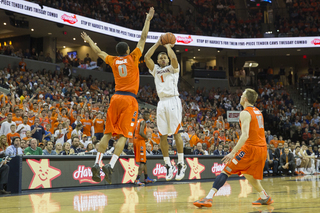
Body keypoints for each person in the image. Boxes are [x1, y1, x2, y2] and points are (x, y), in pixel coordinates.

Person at [82, 7, 155, 184]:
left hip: (115, 97)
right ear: (128, 49)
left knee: (107, 134)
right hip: (129, 99)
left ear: (117, 50)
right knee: (123, 136)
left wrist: (89, 40)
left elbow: (98, 52)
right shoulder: (133, 57)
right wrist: (148, 20)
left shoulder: (113, 60)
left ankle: (97, 163)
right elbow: (143, 38)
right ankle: (111, 165)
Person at [194, 89, 273, 208]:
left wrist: (232, 152)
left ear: (245, 99)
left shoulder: (245, 113)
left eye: (242, 95)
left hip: (250, 148)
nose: (240, 96)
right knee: (248, 174)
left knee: (226, 170)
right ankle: (265, 197)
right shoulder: (258, 111)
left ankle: (208, 198)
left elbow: (245, 135)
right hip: (262, 148)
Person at [144, 35, 187, 181]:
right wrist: (157, 43)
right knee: (162, 135)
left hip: (173, 100)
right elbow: (146, 57)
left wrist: (168, 46)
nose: (163, 59)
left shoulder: (173, 67)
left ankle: (181, 163)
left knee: (176, 133)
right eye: (160, 58)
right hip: (161, 102)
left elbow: (174, 60)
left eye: (164, 58)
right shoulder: (155, 69)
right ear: (157, 61)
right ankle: (169, 165)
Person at [133, 111, 156, 186]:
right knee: (142, 161)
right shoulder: (143, 122)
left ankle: (146, 178)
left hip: (136, 140)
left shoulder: (138, 121)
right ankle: (137, 179)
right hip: (140, 141)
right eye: (146, 115)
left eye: (148, 115)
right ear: (143, 115)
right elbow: (141, 133)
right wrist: (146, 138)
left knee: (144, 160)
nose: (147, 116)